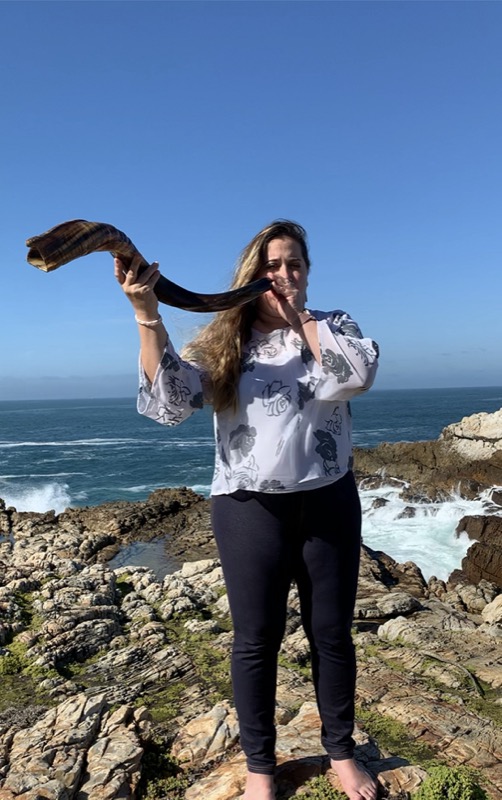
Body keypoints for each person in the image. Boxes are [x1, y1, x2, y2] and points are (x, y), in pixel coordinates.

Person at [115, 220, 379, 800]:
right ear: (251, 275)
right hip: (246, 505)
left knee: (332, 634)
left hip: (328, 499)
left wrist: (301, 319)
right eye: (271, 267)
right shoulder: (222, 342)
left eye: (294, 266)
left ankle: (340, 752)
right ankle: (260, 767)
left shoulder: (334, 326)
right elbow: (170, 403)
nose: (283, 276)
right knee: (255, 640)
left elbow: (354, 376)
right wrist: (147, 313)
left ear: (307, 273)